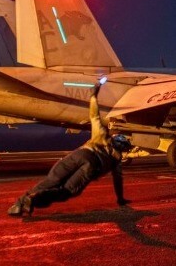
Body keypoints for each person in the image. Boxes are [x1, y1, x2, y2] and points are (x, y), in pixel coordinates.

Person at [7, 82, 132, 217]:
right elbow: (117, 179)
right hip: (92, 164)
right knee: (67, 191)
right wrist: (120, 198)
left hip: (80, 154)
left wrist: (93, 96)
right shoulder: (117, 158)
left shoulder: (101, 135)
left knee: (50, 181)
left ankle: (18, 204)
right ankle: (33, 199)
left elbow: (94, 116)